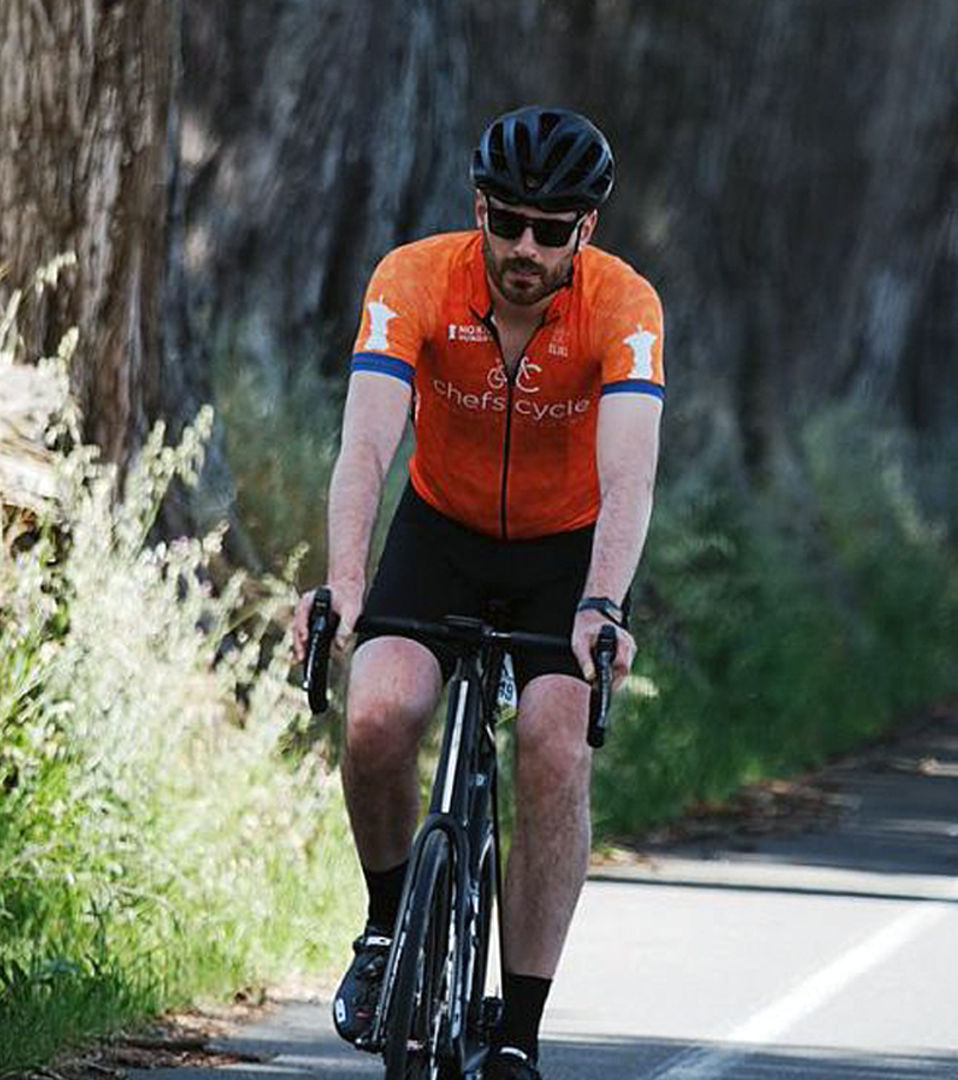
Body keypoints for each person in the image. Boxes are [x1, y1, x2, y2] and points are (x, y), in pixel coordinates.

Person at [292, 105, 664, 1080]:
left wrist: (603, 604)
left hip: (563, 560)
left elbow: (629, 474)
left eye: (551, 230)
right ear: (479, 209)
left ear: (587, 230)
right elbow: (367, 447)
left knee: (551, 744)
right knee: (377, 716)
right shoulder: (413, 279)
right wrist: (341, 583)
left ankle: (520, 1030)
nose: (525, 249)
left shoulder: (625, 308)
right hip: (440, 532)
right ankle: (385, 932)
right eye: (507, 222)